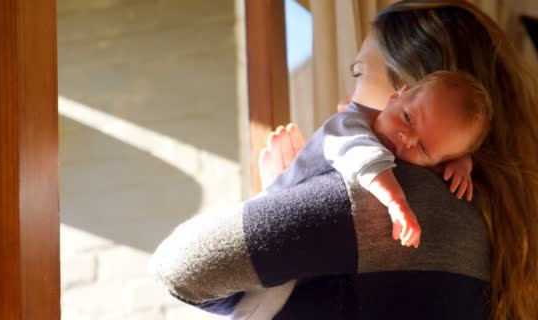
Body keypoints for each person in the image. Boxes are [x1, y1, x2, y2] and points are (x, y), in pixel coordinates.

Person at [151, 1, 538, 319]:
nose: (343, 104)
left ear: (410, 84)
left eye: (358, 74)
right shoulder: (477, 213)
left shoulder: (386, 193)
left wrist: (280, 194)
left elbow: (180, 267)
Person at [267, 70, 492, 249]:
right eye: (408, 118)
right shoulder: (348, 126)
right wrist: (396, 202)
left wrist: (462, 163)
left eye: (422, 147)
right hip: (271, 222)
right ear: (396, 96)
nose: (407, 138)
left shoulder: (423, 161)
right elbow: (368, 160)